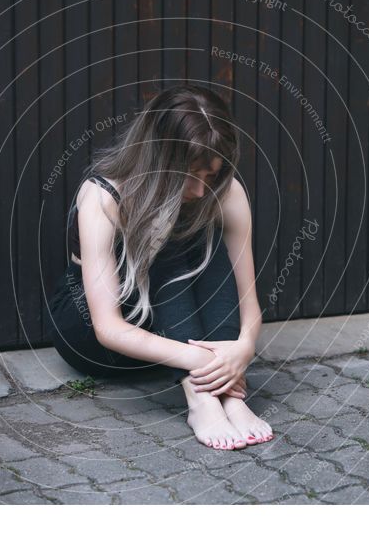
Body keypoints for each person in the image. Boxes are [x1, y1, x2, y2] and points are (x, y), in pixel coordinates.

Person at [48, 84, 272, 451]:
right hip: (94, 338)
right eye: (190, 175)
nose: (201, 190)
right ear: (157, 159)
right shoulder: (104, 196)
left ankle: (231, 398)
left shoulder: (226, 193)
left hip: (167, 343)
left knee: (201, 231)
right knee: (165, 231)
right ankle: (202, 399)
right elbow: (107, 328)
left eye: (211, 176)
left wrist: (243, 349)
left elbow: (250, 306)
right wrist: (205, 360)